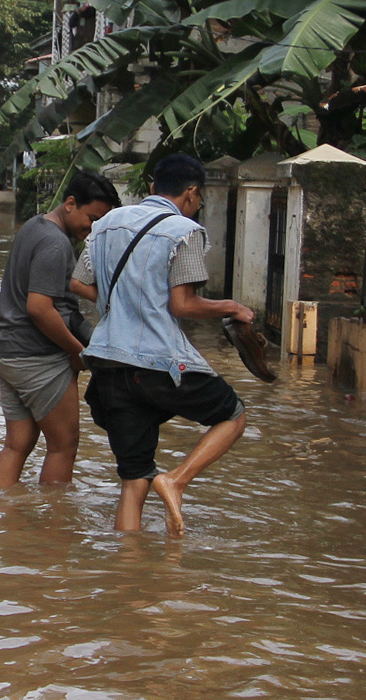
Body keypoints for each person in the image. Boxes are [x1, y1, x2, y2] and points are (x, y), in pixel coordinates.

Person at [73, 153, 255, 535]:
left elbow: (79, 283)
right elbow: (183, 305)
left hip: (108, 364)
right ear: (192, 192)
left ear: (154, 187)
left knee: (134, 478)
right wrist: (232, 307)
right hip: (157, 363)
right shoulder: (184, 231)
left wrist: (120, 303)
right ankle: (176, 480)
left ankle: (129, 564)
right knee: (233, 415)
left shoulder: (106, 224)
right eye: (199, 197)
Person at [0, 169, 120, 489]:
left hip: (5, 351)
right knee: (63, 446)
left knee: (17, 443)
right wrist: (78, 352)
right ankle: (55, 519)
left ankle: (3, 512)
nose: (93, 228)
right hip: (36, 356)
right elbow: (40, 308)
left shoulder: (34, 225)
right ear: (71, 203)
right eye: (92, 218)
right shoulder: (55, 243)